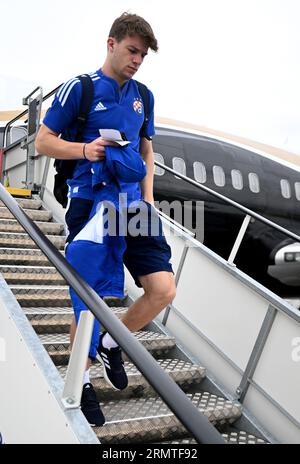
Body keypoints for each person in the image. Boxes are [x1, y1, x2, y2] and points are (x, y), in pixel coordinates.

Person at [35, 12, 176, 426]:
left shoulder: (143, 96)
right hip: (89, 202)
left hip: (133, 205)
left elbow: (147, 151)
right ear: (111, 43)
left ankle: (113, 342)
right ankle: (78, 380)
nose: (137, 60)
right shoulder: (78, 90)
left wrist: (148, 199)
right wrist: (85, 151)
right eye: (132, 51)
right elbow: (43, 141)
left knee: (163, 290)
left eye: (143, 55)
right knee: (89, 298)